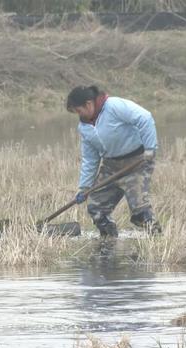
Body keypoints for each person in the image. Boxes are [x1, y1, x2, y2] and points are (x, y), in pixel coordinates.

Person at [66, 85, 161, 239]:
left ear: (88, 104)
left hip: (137, 162)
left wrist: (150, 148)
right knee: (96, 208)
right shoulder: (84, 127)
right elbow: (90, 159)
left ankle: (157, 238)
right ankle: (109, 240)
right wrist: (84, 187)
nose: (78, 114)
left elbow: (145, 118)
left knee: (140, 211)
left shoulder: (114, 106)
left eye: (78, 110)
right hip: (111, 166)